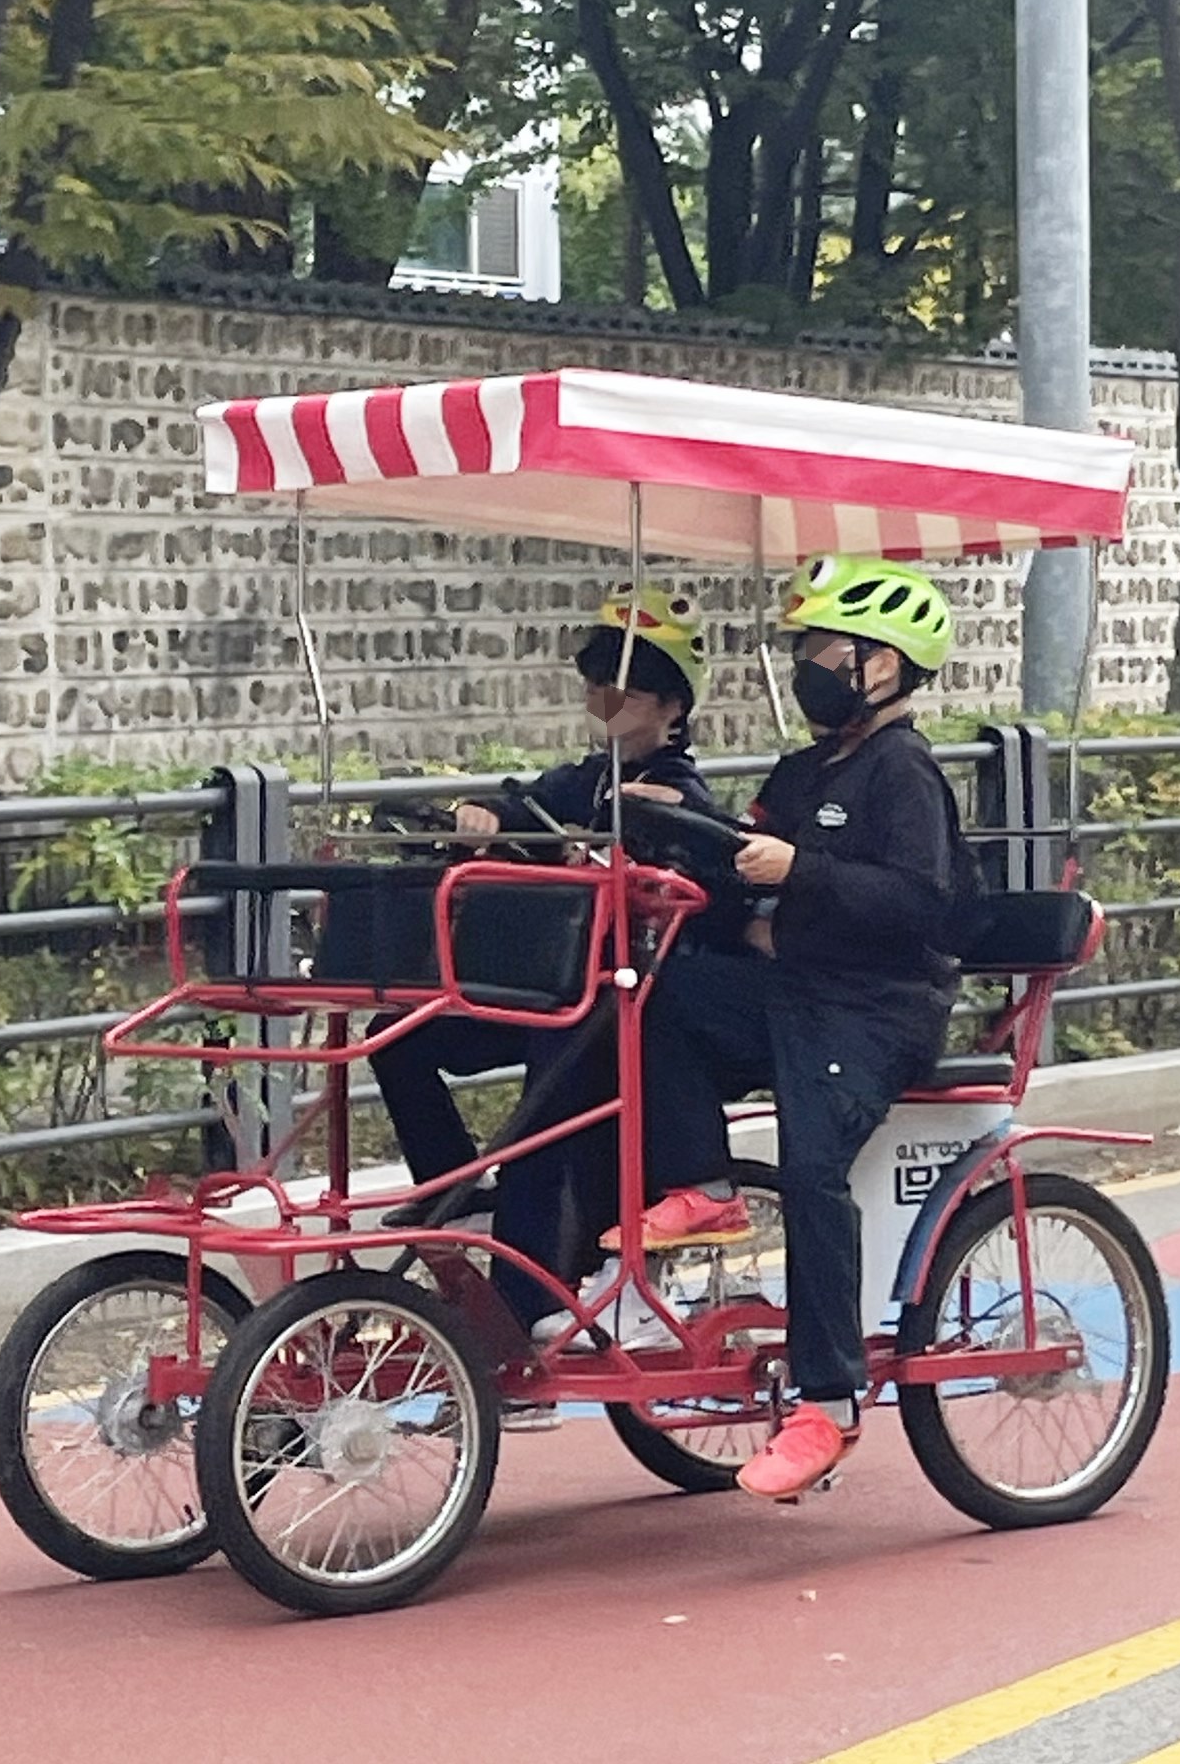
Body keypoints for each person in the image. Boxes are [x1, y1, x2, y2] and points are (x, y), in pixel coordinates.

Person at [607, 554, 964, 1501]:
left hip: (876, 1009)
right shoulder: (804, 769)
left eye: (823, 651)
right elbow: (746, 863)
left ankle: (829, 1402)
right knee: (658, 996)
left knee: (812, 1169)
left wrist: (798, 874)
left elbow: (924, 905)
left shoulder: (905, 772)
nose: (807, 666)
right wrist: (685, 850)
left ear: (879, 666)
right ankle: (707, 1183)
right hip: (795, 988)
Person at [366, 585, 721, 1210]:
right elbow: (520, 807)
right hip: (546, 983)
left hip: (611, 1002)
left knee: (540, 1133)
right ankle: (450, 1188)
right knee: (394, 1036)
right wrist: (479, 816)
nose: (602, 699)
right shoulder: (582, 779)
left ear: (672, 707)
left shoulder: (678, 794)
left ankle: (530, 1287)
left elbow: (682, 879)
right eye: (594, 683)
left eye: (625, 689)